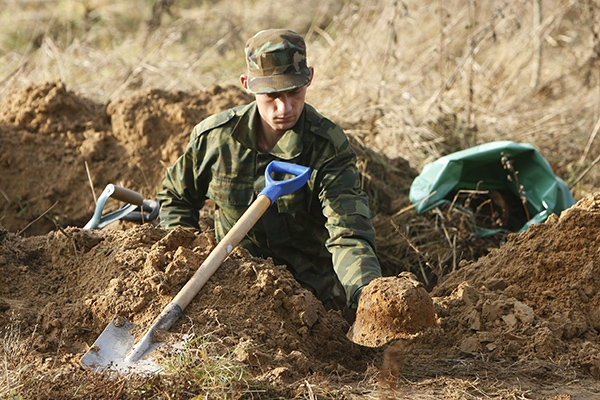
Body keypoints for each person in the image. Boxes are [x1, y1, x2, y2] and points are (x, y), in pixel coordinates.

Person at [157, 29, 381, 323]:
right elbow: (176, 198)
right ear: (247, 85)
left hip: (310, 298)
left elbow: (348, 234)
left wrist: (367, 297)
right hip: (228, 291)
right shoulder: (215, 139)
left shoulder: (327, 146)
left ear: (309, 77)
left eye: (294, 92)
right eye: (272, 95)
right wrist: (187, 260)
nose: (285, 108)